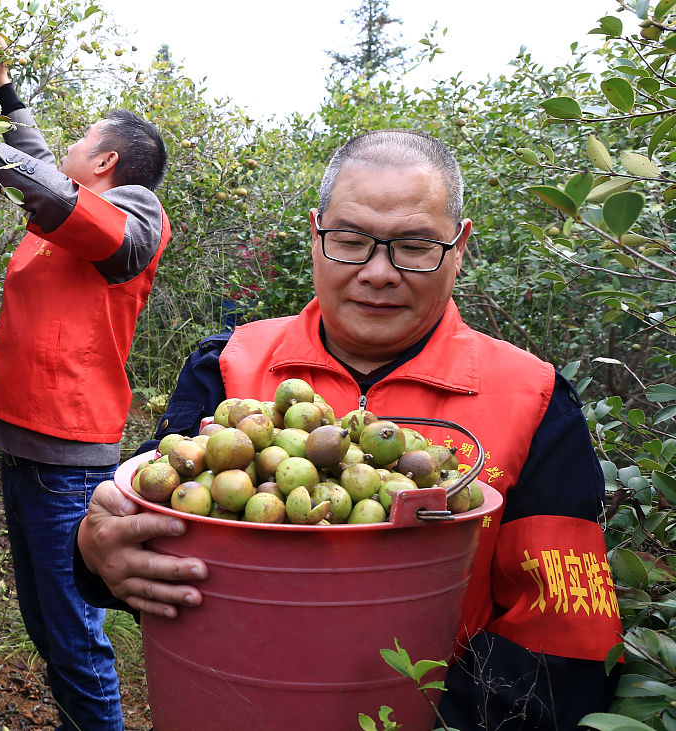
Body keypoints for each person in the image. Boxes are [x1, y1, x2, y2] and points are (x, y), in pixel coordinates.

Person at [73, 129, 622, 730]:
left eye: (414, 245)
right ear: (315, 235)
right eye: (351, 241)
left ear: (458, 247)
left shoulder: (532, 399)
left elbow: (562, 638)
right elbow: (155, 535)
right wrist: (98, 554)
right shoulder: (227, 367)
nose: (379, 272)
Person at [0, 42, 169, 730]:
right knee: (47, 629)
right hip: (26, 448)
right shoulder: (70, 214)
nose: (65, 147)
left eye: (82, 140)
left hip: (69, 461)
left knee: (74, 638)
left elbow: (46, 182)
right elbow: (37, 169)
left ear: (109, 162)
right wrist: (1, 88)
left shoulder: (135, 217)